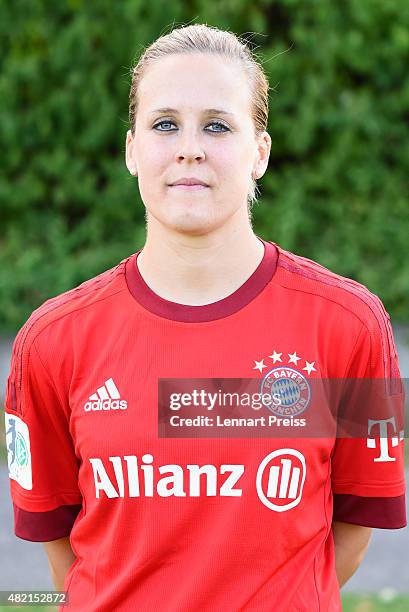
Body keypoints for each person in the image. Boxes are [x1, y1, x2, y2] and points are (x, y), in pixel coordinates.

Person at [4, 23, 406, 612]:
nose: (190, 146)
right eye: (165, 124)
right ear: (132, 150)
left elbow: (348, 533)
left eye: (217, 125)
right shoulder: (51, 341)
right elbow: (65, 549)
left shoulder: (352, 326)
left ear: (259, 153)